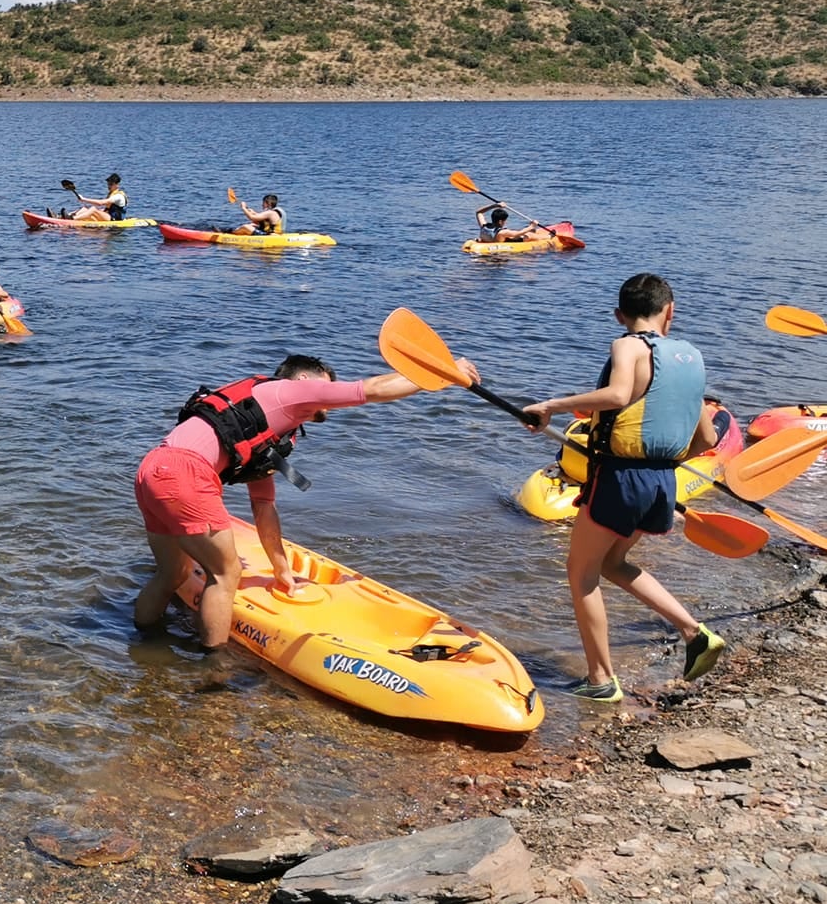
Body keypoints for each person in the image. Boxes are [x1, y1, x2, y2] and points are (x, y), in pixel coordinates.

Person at [131, 353, 477, 651]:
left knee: (173, 571)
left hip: (153, 469)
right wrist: (446, 374)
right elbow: (373, 390)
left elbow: (264, 509)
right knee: (225, 574)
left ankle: (143, 644)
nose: (327, 400)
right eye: (325, 387)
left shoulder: (262, 426)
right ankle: (213, 673)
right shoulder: (290, 389)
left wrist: (282, 573)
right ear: (305, 379)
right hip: (187, 475)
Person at [520, 273, 726, 703]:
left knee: (581, 573)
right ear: (670, 311)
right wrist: (660, 468)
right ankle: (695, 633)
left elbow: (616, 396)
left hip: (620, 478)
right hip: (661, 482)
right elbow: (707, 440)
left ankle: (600, 680)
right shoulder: (691, 356)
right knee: (614, 563)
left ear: (620, 315)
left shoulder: (626, 344)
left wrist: (550, 407)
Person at [476, 203, 555, 243]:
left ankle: (534, 231)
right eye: (505, 220)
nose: (505, 222)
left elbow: (479, 212)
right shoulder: (502, 232)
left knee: (530, 231)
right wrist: (532, 226)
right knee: (528, 235)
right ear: (500, 221)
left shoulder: (483, 226)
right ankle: (549, 237)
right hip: (503, 244)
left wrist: (495, 205)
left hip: (493, 240)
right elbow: (518, 233)